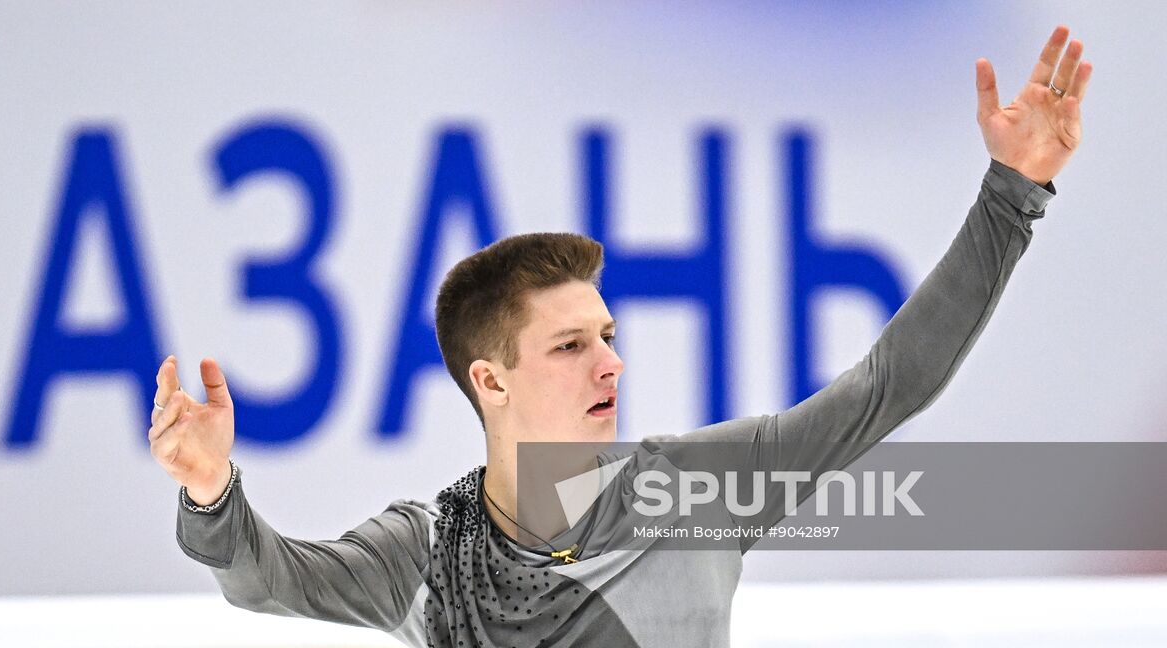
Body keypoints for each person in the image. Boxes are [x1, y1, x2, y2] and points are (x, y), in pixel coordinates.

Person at [148, 26, 1093, 647]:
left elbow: (889, 386)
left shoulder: (700, 490)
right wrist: (210, 489)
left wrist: (1014, 195)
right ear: (492, 380)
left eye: (605, 335)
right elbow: (266, 580)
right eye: (570, 346)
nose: (612, 362)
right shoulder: (429, 552)